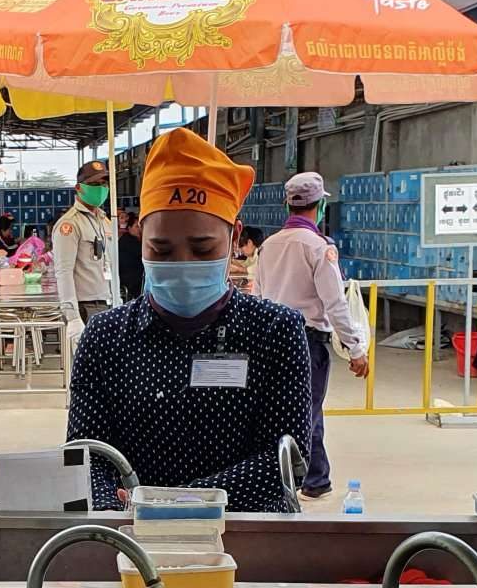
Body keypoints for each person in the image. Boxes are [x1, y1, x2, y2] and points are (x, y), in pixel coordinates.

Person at [66, 128, 313, 512]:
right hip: (135, 540)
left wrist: (173, 503)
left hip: (245, 535)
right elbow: (86, 456)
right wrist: (117, 511)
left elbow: (287, 460)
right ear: (139, 235)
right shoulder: (105, 337)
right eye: (161, 249)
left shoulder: (275, 331)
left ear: (234, 238)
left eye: (202, 248)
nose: (182, 264)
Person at [256, 173, 371, 499]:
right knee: (309, 410)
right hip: (307, 340)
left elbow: (259, 296)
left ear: (287, 205)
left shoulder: (268, 246)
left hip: (272, 339)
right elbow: (334, 303)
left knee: (277, 409)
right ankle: (314, 479)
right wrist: (354, 347)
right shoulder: (318, 248)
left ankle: (285, 476)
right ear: (320, 205)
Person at [52, 159, 116, 322]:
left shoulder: (104, 220)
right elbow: (63, 272)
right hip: (85, 307)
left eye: (104, 183)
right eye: (95, 184)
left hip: (108, 301)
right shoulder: (69, 224)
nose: (101, 188)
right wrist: (72, 316)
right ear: (79, 188)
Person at [116, 206, 144, 303]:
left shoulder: (135, 241)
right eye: (137, 227)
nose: (140, 230)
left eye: (141, 227)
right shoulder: (128, 241)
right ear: (129, 228)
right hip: (130, 280)